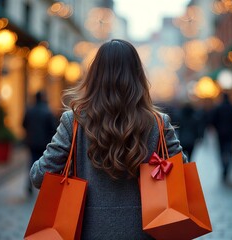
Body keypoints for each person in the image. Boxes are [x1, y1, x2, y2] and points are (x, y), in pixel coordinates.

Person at [29, 39, 186, 239]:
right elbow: (180, 174)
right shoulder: (158, 123)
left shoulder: (74, 121)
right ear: (138, 76)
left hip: (89, 230)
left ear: (95, 76)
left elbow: (39, 176)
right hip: (145, 230)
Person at [22, 91, 57, 195]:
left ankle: (30, 183)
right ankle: (44, 186)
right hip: (44, 143)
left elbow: (23, 124)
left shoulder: (29, 110)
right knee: (44, 163)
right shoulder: (47, 111)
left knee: (32, 162)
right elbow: (53, 128)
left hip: (31, 142)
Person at [211, 93, 232, 182]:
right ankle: (227, 168)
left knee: (221, 152)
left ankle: (224, 167)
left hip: (221, 134)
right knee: (229, 151)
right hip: (230, 134)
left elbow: (213, 120)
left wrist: (217, 129)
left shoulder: (218, 108)